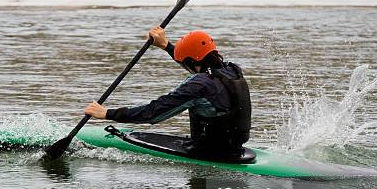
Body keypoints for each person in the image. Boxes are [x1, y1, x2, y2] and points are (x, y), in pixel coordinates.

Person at [84, 27, 252, 158]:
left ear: (192, 62)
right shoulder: (232, 69)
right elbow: (198, 66)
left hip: (210, 152)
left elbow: (153, 113)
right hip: (234, 148)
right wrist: (166, 45)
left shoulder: (198, 85)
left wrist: (108, 113)